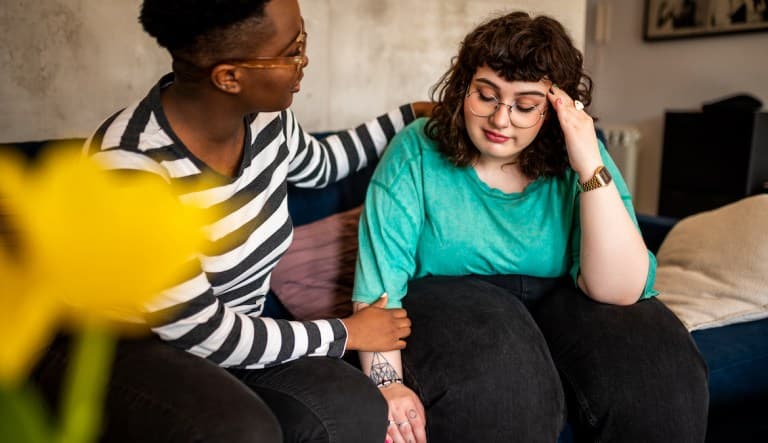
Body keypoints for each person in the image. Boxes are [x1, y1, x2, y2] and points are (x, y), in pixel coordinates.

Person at [31, 1, 432, 442]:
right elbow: (204, 331)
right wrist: (346, 333)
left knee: (354, 406)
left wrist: (412, 113)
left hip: (232, 337)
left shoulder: (266, 121)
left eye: (304, 38)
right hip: (126, 351)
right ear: (229, 76)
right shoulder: (131, 169)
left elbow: (324, 165)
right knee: (241, 429)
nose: (305, 60)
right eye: (292, 50)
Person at [352, 11, 709, 443]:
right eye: (486, 96)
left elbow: (618, 292)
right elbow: (379, 291)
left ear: (555, 108)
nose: (500, 120)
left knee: (658, 372)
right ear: (463, 86)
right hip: (452, 301)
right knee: (508, 393)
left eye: (525, 106)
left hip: (565, 299)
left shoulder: (580, 155)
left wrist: (587, 162)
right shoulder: (417, 149)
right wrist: (386, 383)